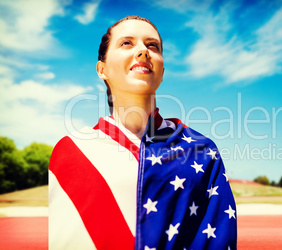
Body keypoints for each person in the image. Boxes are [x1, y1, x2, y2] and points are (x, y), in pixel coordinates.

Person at [49, 15, 237, 250]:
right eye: (126, 43)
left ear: (162, 69)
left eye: (152, 46)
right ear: (102, 69)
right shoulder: (72, 150)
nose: (143, 51)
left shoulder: (201, 150)